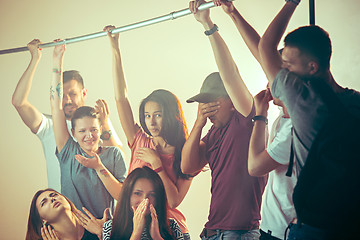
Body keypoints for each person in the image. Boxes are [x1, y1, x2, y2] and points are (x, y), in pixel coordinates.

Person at [257, 0, 360, 239]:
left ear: (312, 67)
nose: (284, 71)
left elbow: (265, 47)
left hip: (313, 226)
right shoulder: (356, 103)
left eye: (289, 64)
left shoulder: (302, 101)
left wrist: (292, 2)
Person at [181, 1, 267, 239]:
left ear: (231, 100)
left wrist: (208, 25)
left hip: (239, 233)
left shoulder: (246, 121)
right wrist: (198, 124)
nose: (207, 109)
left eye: (213, 101)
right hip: (211, 232)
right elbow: (187, 167)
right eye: (203, 102)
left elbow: (230, 75)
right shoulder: (212, 134)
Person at [212, 1, 297, 239]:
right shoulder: (286, 115)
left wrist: (260, 116)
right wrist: (233, 14)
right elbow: (263, 51)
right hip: (271, 227)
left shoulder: (295, 129)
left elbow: (255, 167)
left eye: (272, 76)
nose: (268, 82)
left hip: (285, 232)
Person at [103, 25, 192, 239]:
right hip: (130, 224)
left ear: (170, 115)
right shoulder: (140, 139)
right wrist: (115, 49)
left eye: (158, 115)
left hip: (167, 228)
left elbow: (174, 200)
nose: (151, 121)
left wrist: (157, 164)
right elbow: (121, 99)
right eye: (147, 115)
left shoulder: (184, 151)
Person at [12, 39, 123, 192]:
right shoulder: (48, 125)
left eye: (72, 94)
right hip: (61, 209)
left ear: (84, 93)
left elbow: (119, 161)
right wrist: (35, 59)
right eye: (63, 95)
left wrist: (104, 124)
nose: (67, 100)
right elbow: (18, 102)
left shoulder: (98, 124)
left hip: (98, 212)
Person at [50, 40, 127, 219]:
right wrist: (56, 60)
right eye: (82, 131)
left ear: (100, 129)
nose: (88, 135)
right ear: (73, 133)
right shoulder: (68, 151)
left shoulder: (113, 155)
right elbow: (55, 105)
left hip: (106, 232)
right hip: (74, 232)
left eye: (93, 129)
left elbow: (122, 197)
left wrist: (99, 167)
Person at [78, 166, 184, 240]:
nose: (145, 200)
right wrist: (136, 232)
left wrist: (157, 237)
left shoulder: (172, 226)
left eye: (152, 195)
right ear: (127, 196)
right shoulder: (110, 227)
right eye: (138, 193)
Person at [25, 188, 107, 240]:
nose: (52, 199)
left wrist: (104, 234)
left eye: (54, 195)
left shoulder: (100, 227)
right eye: (44, 203)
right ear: (43, 220)